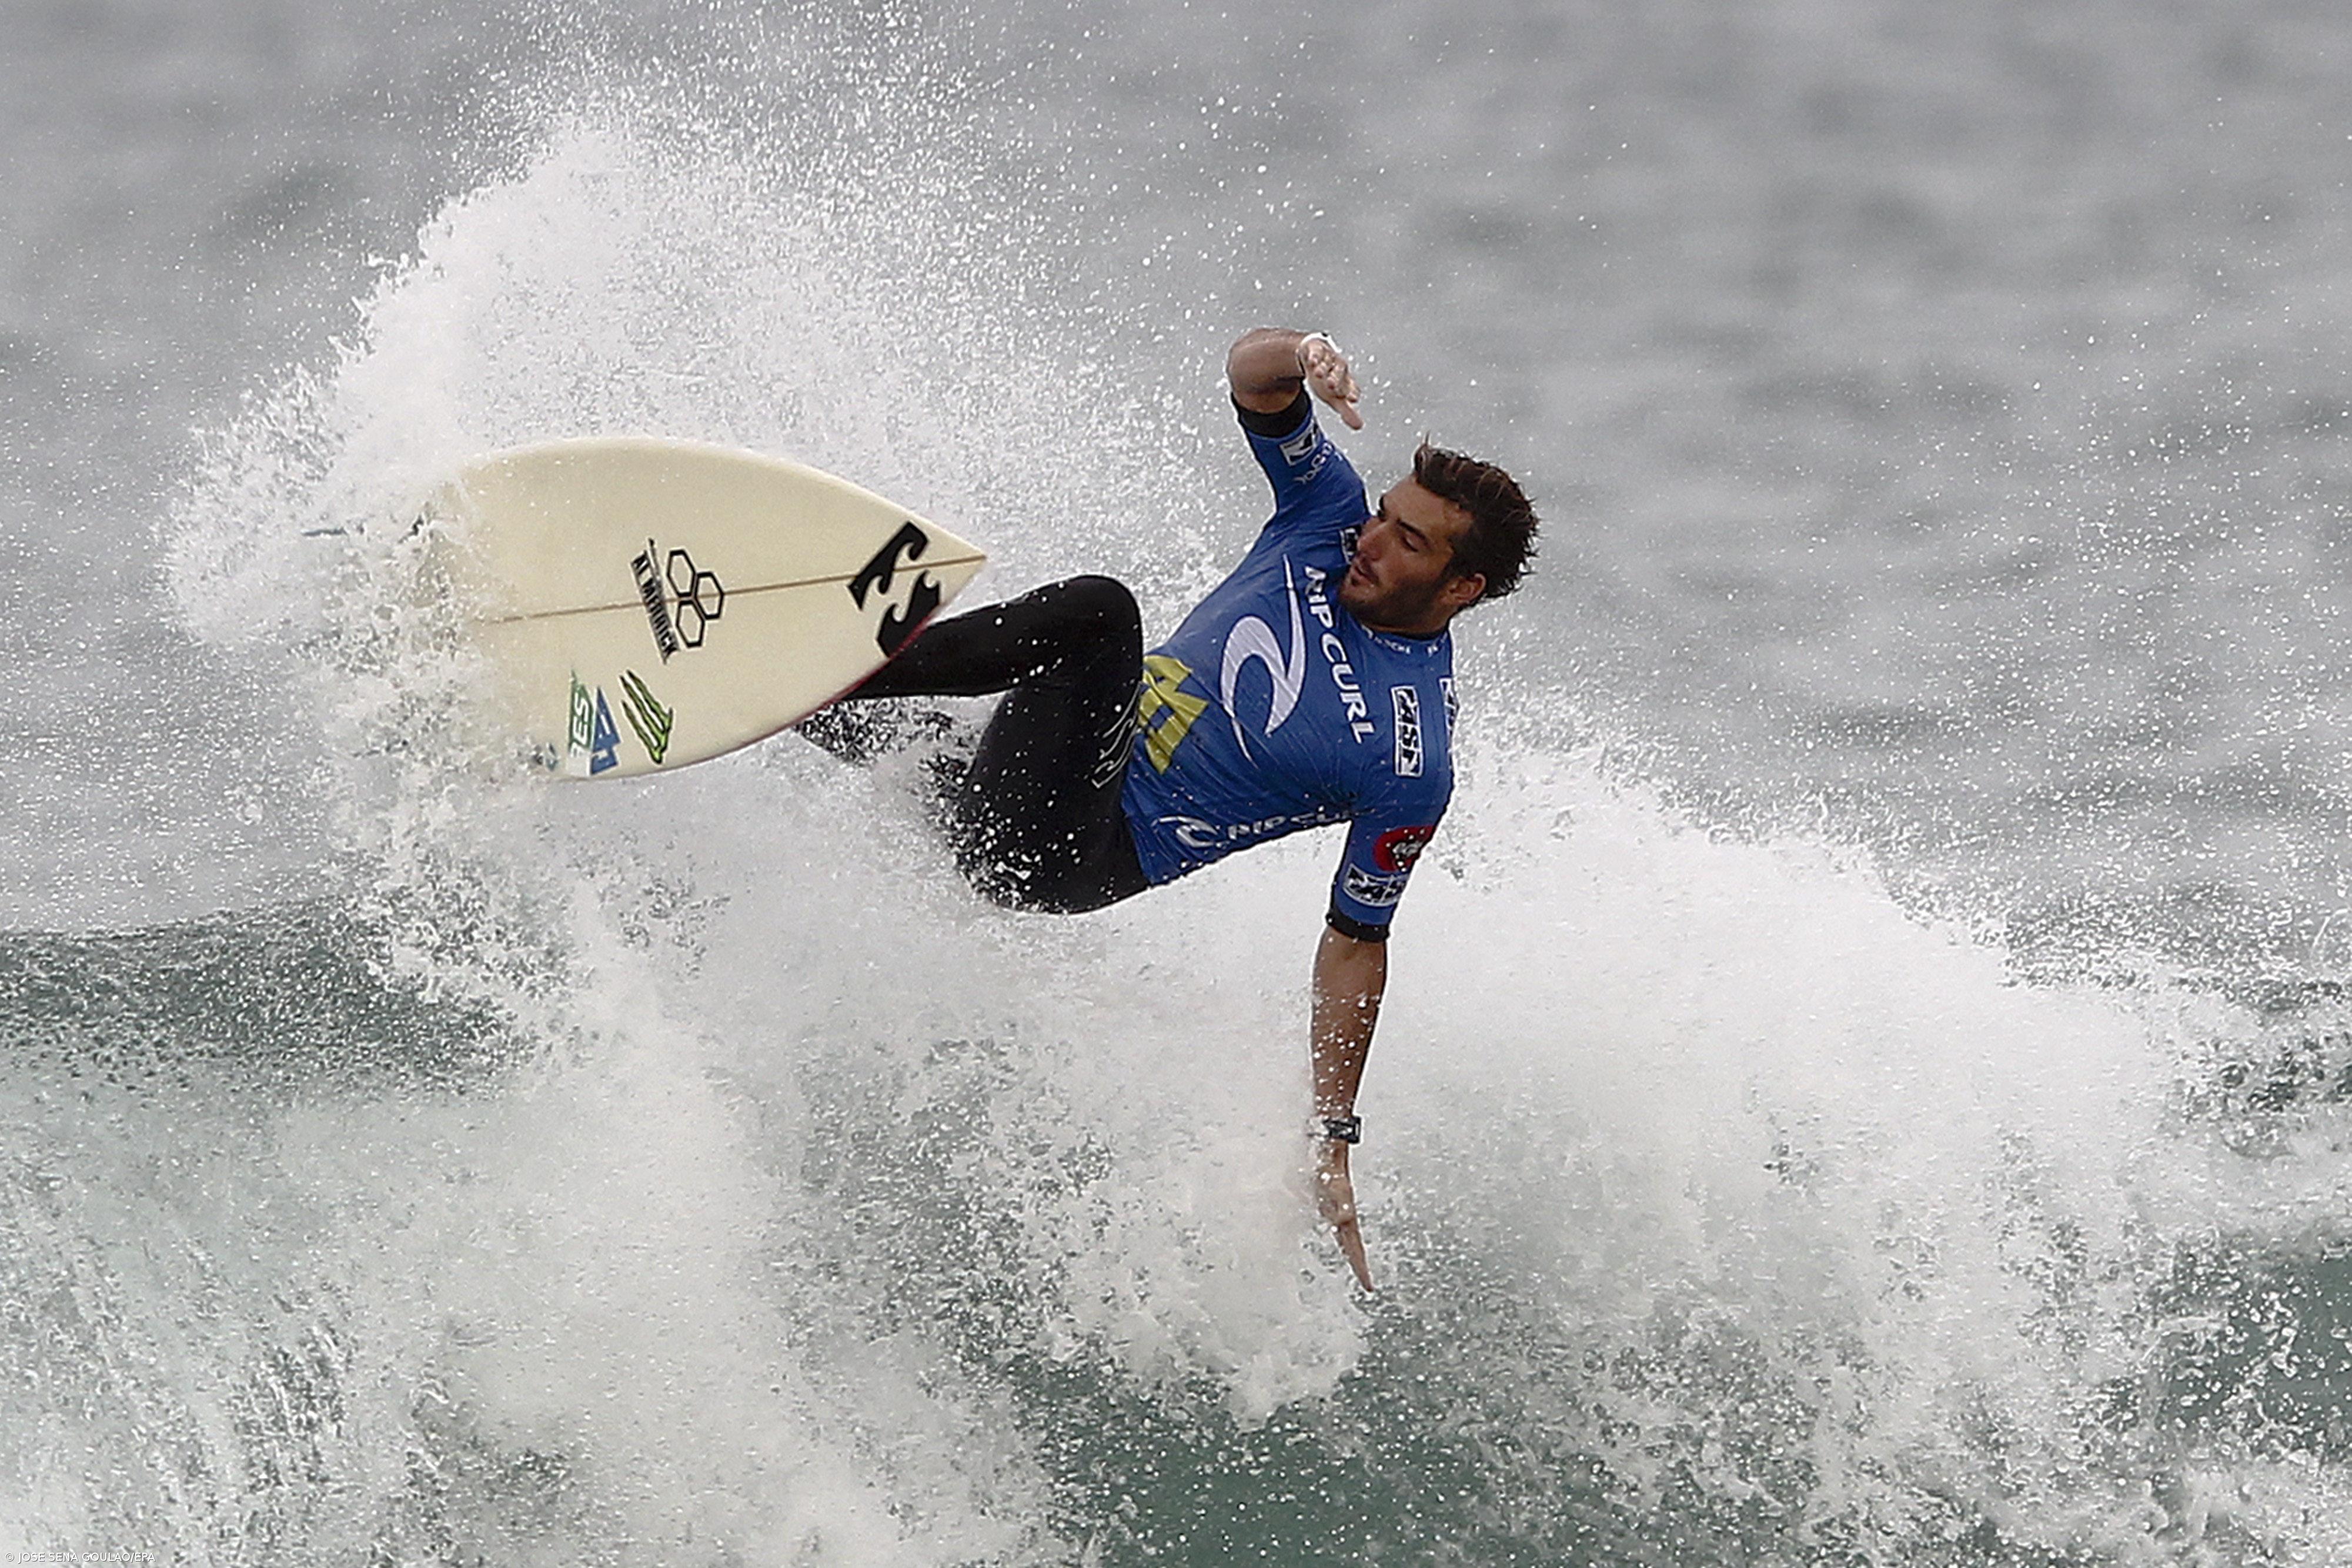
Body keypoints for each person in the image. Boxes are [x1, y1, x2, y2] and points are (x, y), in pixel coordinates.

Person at [802, 326, 1539, 1289]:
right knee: (891, 727)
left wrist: (1332, 1137)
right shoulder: (1324, 517)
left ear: (1462, 585)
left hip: (1068, 853)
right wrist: (1302, 353)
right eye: (1383, 518)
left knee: (1098, 615)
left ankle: (825, 669)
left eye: (1408, 542)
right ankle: (726, 698)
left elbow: (1357, 940)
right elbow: (1256, 381)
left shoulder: (1411, 756)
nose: (1371, 543)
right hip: (1020, 776)